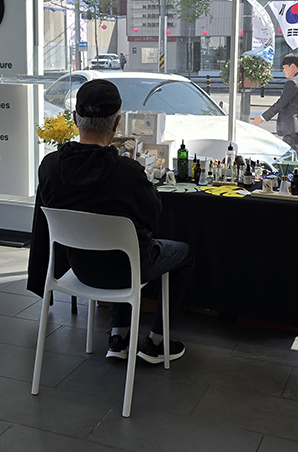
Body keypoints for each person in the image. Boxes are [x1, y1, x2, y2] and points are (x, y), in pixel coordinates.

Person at [26, 79, 193, 363]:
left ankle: (119, 336)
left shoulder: (50, 167)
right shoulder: (127, 172)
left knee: (116, 249)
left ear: (75, 118)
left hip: (79, 269)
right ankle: (156, 342)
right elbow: (153, 212)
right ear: (117, 122)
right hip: (127, 271)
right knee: (183, 253)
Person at [252, 53, 298, 160]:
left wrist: (262, 117)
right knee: (294, 155)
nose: (283, 71)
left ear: (292, 66)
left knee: (291, 158)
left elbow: (281, 103)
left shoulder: (293, 82)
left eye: (284, 68)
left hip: (293, 127)